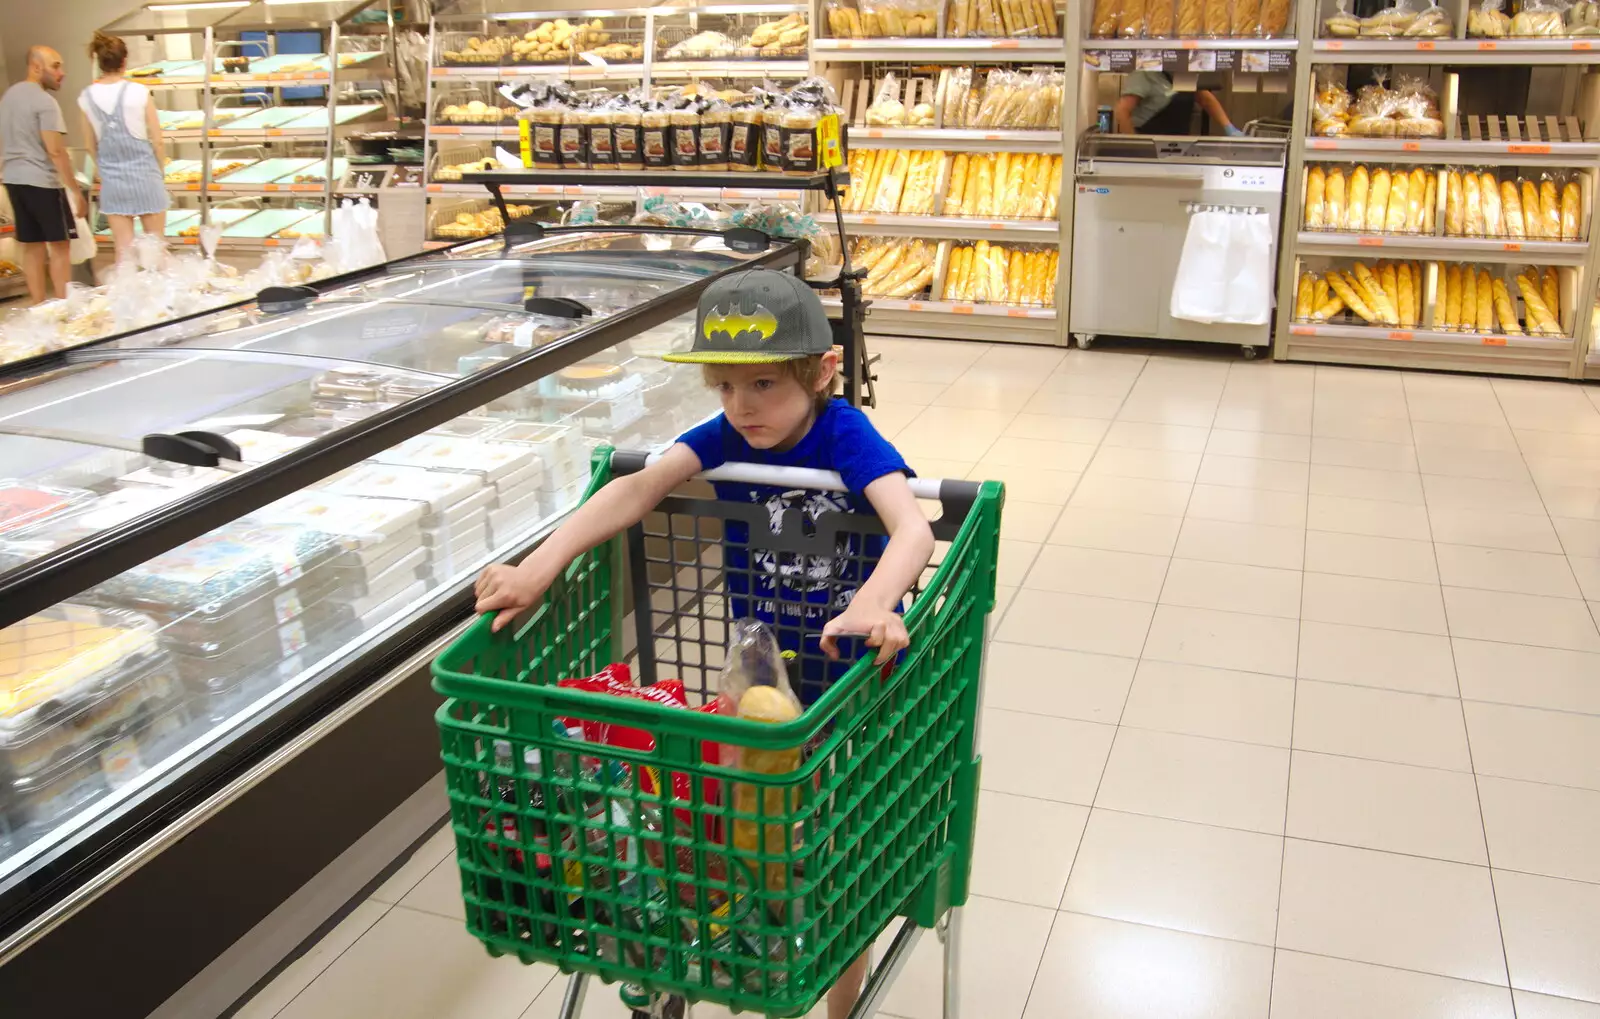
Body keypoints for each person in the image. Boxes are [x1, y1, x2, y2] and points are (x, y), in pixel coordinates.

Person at [474, 268, 936, 1019]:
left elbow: (910, 524)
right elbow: (636, 489)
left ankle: (839, 1002)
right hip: (761, 688)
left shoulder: (844, 431)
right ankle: (694, 964)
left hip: (854, 684)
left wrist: (874, 605)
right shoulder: (726, 435)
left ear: (822, 373)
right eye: (723, 386)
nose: (741, 407)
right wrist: (538, 566)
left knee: (837, 858)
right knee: (726, 839)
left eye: (762, 384)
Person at [0, 46, 88, 303]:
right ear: (36, 67)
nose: (62, 72)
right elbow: (55, 151)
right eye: (56, 66)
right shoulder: (45, 102)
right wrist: (74, 191)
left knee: (31, 246)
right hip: (43, 182)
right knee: (60, 246)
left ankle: (39, 308)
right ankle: (63, 308)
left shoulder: (8, 97)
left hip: (14, 181)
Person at [79, 31, 168, 263]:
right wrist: (161, 170)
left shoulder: (86, 97)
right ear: (124, 61)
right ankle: (162, 296)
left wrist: (101, 169)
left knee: (124, 251)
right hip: (145, 176)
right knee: (155, 247)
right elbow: (157, 139)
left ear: (99, 62)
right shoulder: (138, 91)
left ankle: (128, 296)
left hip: (113, 181)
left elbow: (89, 143)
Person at [1115, 70, 1244, 136]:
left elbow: (1205, 99)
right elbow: (1122, 110)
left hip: (1179, 145)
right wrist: (1134, 142)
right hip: (1149, 145)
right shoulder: (1143, 74)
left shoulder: (1183, 72)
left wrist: (1229, 128)